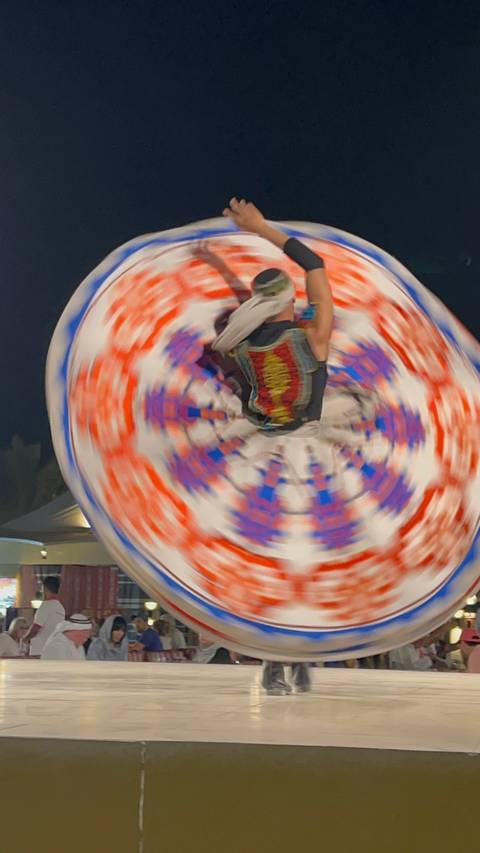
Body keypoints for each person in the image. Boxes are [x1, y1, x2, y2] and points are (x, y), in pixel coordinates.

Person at [212, 198, 333, 432]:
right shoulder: (311, 332)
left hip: (263, 430)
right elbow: (314, 264)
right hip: (305, 436)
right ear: (292, 299)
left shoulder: (240, 344)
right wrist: (261, 228)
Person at [22, 575, 65, 656]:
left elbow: (36, 628)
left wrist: (25, 639)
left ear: (44, 588)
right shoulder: (61, 608)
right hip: (53, 649)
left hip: (39, 650)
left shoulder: (45, 606)